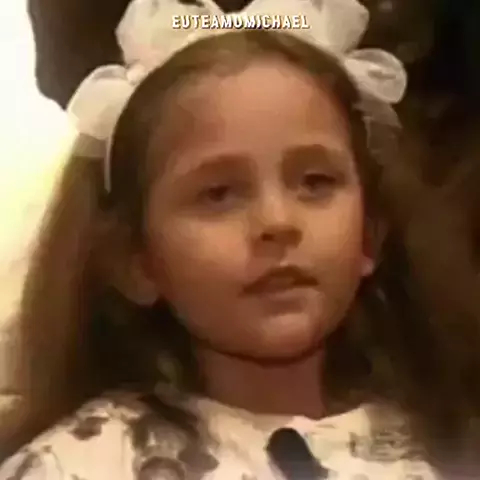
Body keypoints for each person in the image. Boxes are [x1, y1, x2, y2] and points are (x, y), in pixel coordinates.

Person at [2, 0, 480, 478]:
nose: (277, 221)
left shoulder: (447, 447)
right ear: (136, 260)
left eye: (315, 182)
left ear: (369, 235)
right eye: (219, 194)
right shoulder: (79, 465)